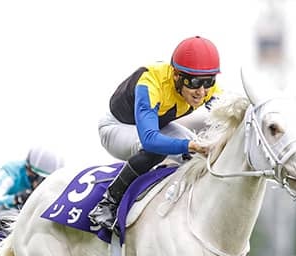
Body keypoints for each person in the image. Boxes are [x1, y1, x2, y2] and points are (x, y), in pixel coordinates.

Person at [89, 35, 220, 232]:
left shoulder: (206, 87)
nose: (201, 92)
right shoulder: (150, 83)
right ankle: (108, 203)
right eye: (193, 82)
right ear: (176, 76)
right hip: (117, 127)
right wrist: (190, 145)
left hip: (156, 127)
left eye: (208, 82)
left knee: (199, 153)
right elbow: (150, 139)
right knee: (161, 149)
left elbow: (231, 116)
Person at [0, 145, 65, 232]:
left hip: (20, 214)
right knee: (15, 216)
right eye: (39, 178)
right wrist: (16, 198)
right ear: (28, 169)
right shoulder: (10, 172)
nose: (41, 183)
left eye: (46, 179)